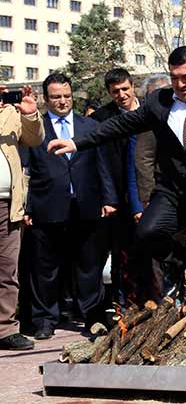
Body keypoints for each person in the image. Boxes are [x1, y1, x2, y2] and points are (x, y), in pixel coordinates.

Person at [47, 47, 186, 303]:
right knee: (146, 233)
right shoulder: (159, 101)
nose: (180, 84)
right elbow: (120, 125)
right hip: (173, 192)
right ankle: (177, 260)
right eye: (174, 77)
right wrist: (76, 143)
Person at [26, 73, 118, 339]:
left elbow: (103, 163)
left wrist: (109, 198)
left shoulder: (89, 126)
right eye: (56, 97)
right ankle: (44, 319)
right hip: (47, 206)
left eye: (66, 96)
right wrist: (28, 207)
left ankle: (92, 315)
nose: (63, 101)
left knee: (89, 265)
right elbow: (28, 169)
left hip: (87, 205)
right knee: (46, 268)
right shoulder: (35, 129)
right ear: (46, 99)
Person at [90, 68, 151, 305]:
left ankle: (151, 299)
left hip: (150, 192)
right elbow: (100, 162)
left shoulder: (149, 111)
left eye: (125, 89)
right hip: (118, 193)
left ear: (132, 86)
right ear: (109, 92)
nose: (122, 95)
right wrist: (109, 198)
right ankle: (123, 303)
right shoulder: (101, 119)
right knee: (122, 253)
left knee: (151, 250)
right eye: (116, 92)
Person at [0, 85, 44, 350]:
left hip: (8, 203)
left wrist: (29, 114)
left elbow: (35, 138)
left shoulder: (10, 113)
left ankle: (5, 329)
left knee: (7, 269)